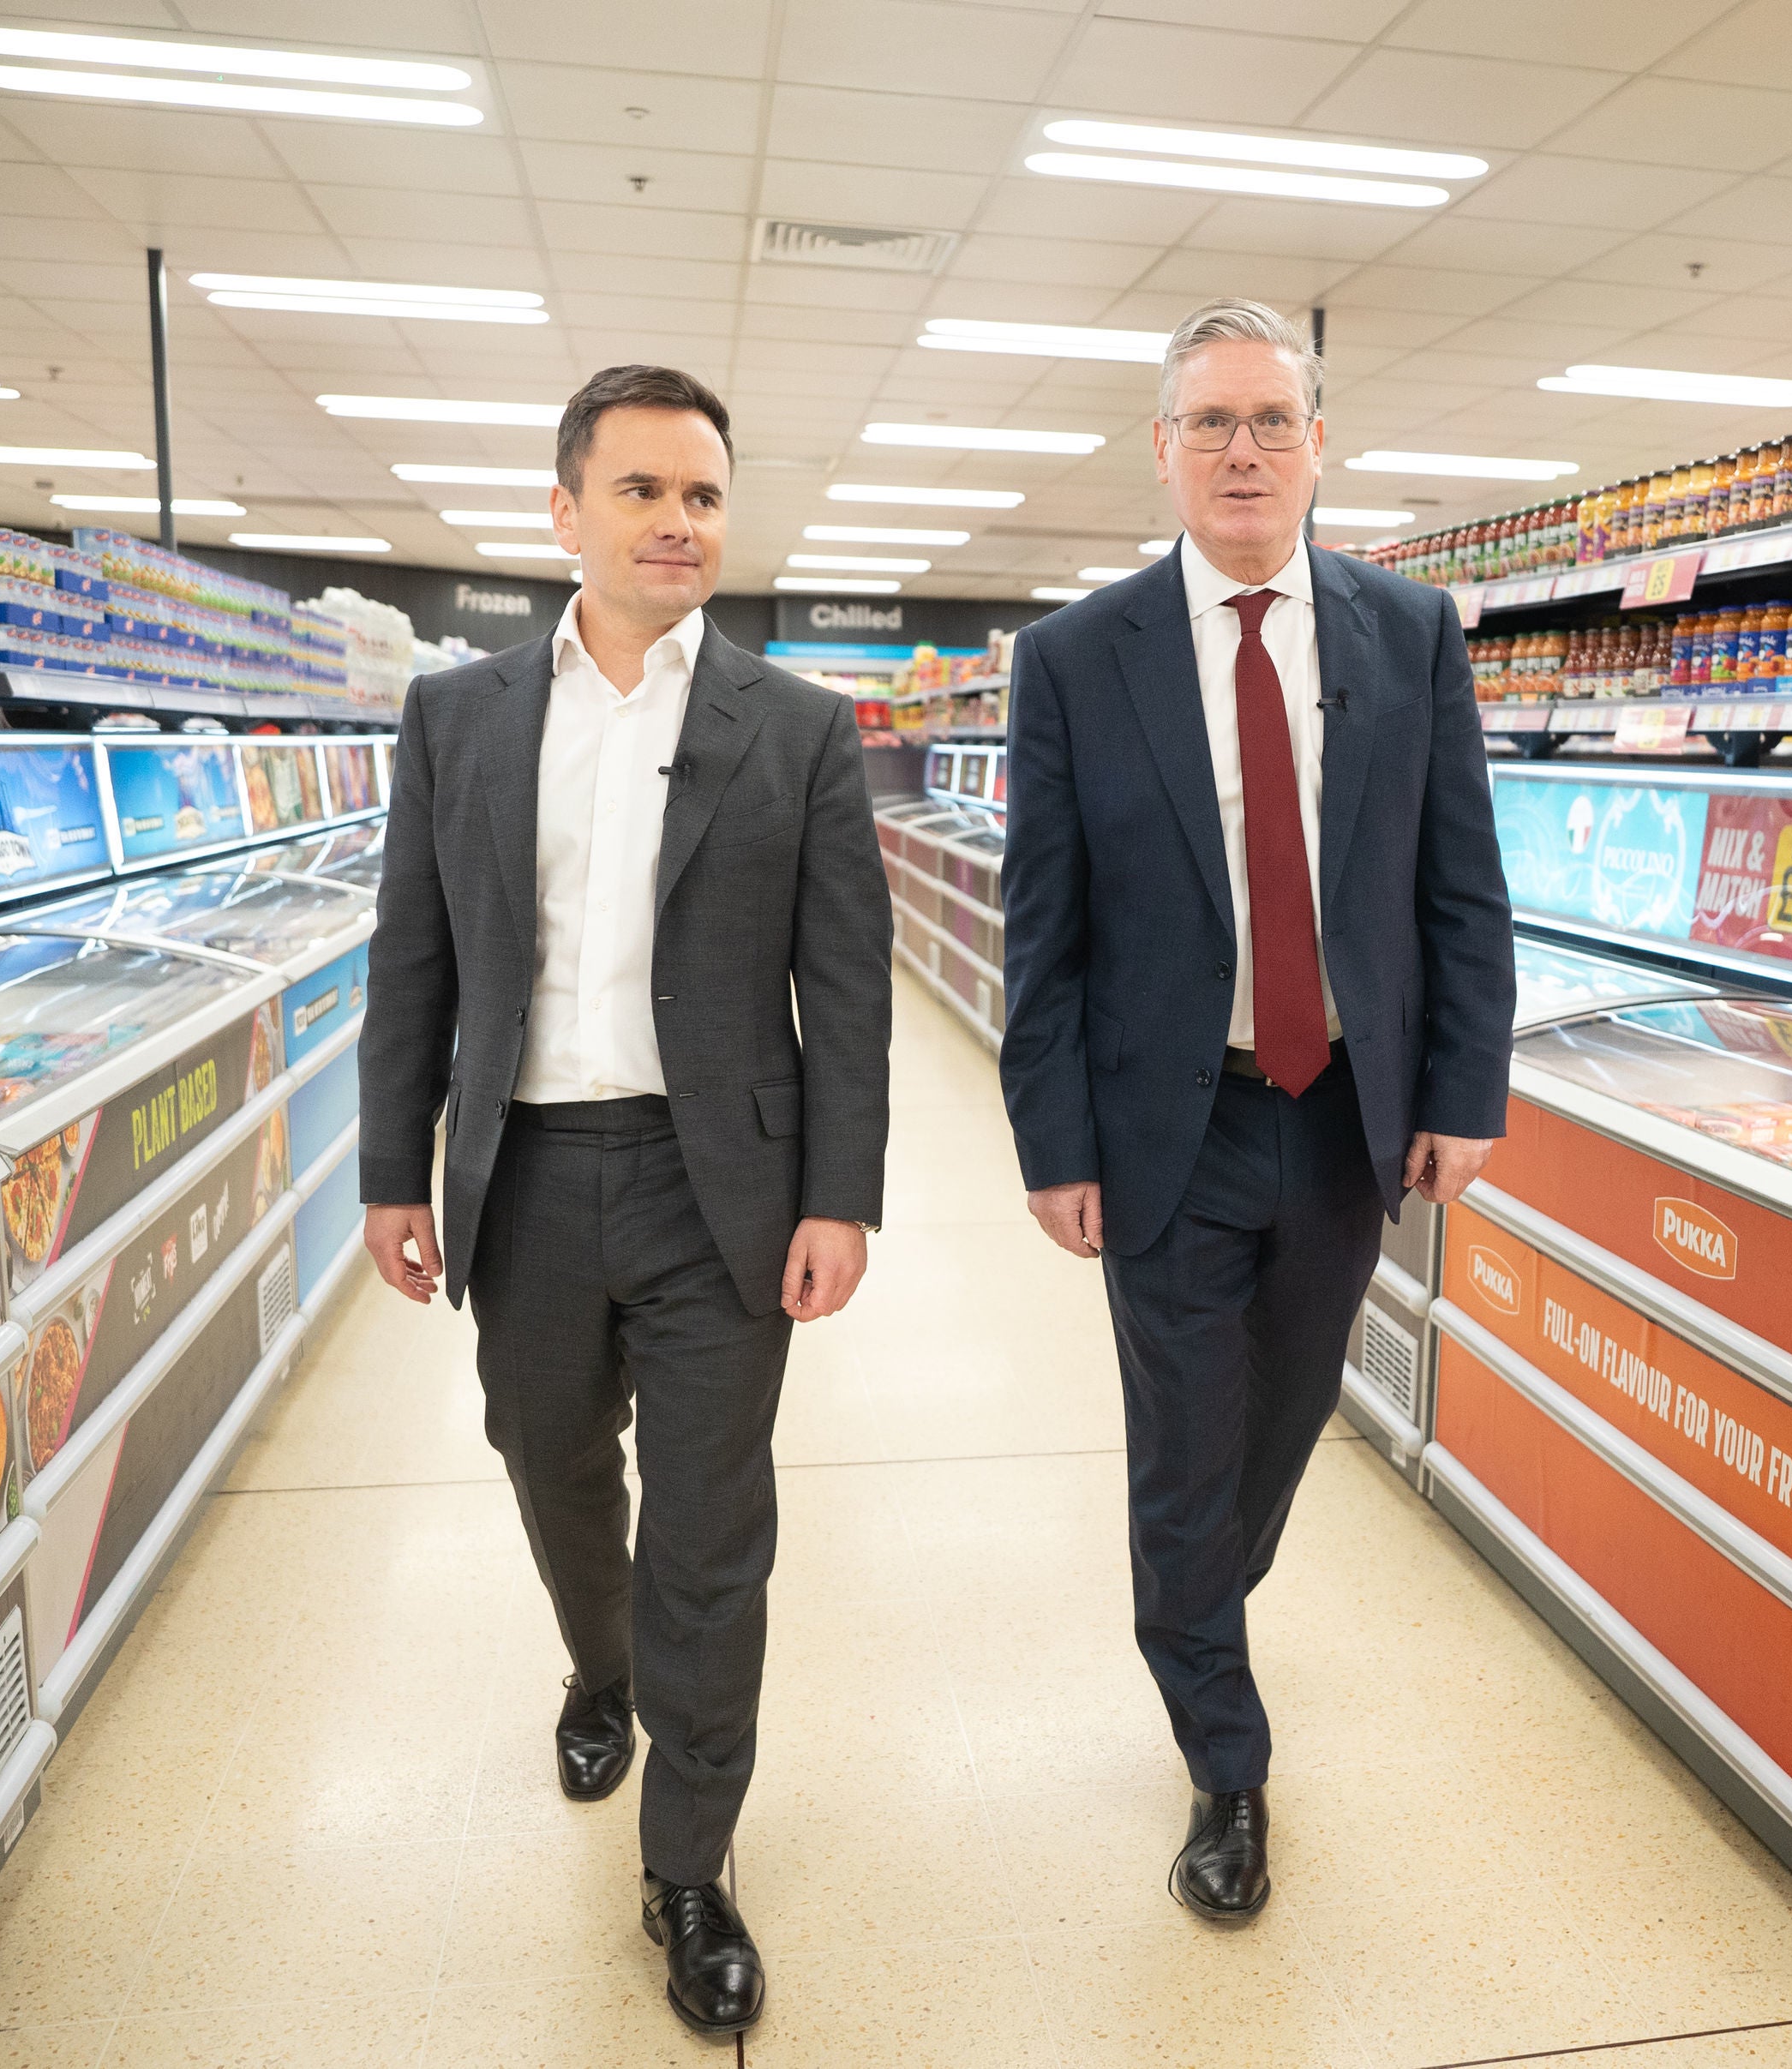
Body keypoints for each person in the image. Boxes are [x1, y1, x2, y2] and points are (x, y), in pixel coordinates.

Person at [356, 363, 893, 2034]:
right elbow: (413, 960)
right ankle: (603, 1665)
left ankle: (688, 1865)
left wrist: (843, 1195)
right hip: (521, 1170)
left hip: (712, 1178)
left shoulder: (793, 730)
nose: (679, 522)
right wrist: (392, 1169)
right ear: (566, 509)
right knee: (549, 1459)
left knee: (714, 1526)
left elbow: (849, 987)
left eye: (706, 496)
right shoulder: (459, 718)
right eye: (646, 490)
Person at [996, 298, 1515, 1921]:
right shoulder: (1078, 658)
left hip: (1344, 1113)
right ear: (1162, 451)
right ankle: (1228, 1760)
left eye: (1270, 421)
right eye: (1209, 422)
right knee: (1183, 1449)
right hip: (1171, 1121)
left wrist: (1465, 1093)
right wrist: (1053, 1141)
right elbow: (1046, 924)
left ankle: (1198, 1597)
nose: (1241, 449)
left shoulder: (1409, 633)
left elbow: (1460, 892)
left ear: (1315, 445)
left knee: (1277, 1431)